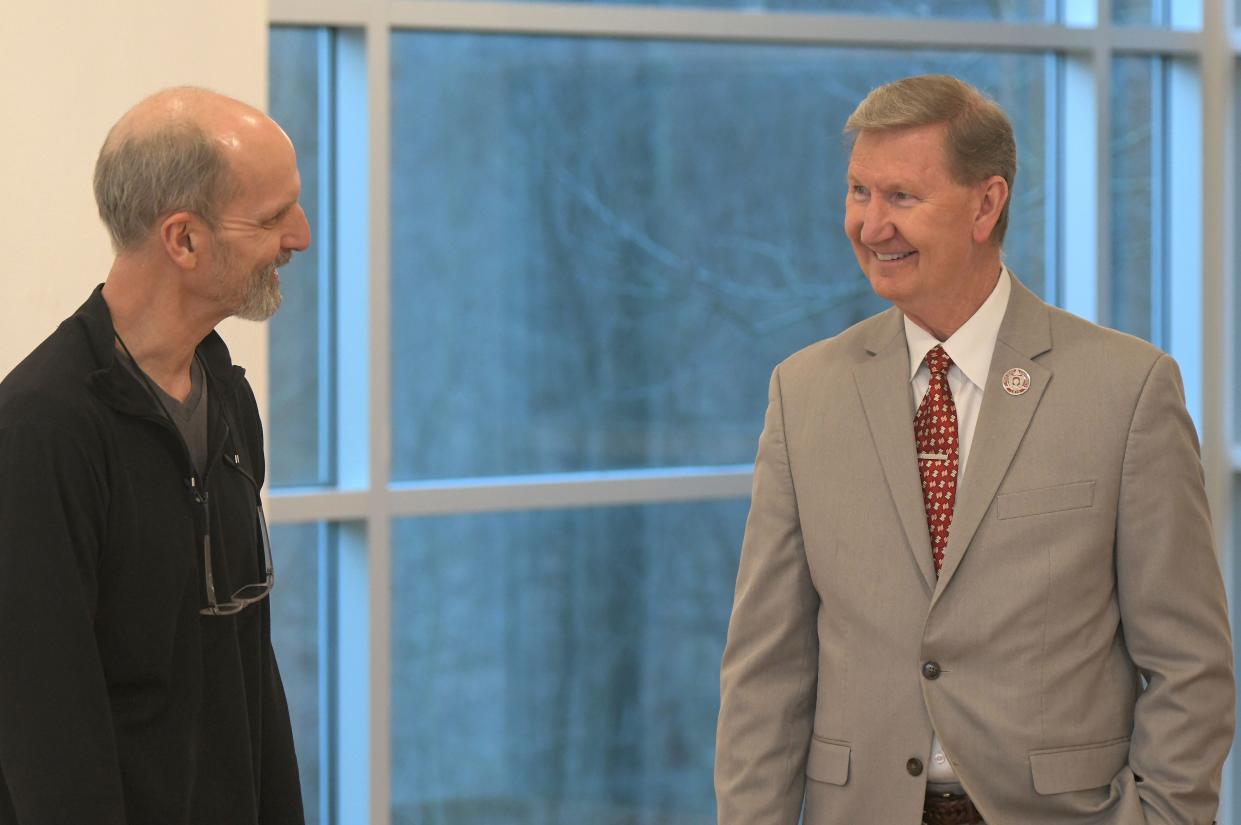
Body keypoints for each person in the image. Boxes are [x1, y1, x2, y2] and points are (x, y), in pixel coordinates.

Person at [714, 74, 1233, 825]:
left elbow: (1189, 664)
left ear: (985, 204)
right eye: (859, 192)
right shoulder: (803, 392)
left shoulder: (1126, 389)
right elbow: (766, 670)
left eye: (901, 197)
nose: (869, 225)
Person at [0, 87, 311, 824]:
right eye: (272, 217)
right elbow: (47, 729)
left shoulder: (228, 397)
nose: (299, 235)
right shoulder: (40, 433)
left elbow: (250, 666)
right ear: (184, 240)